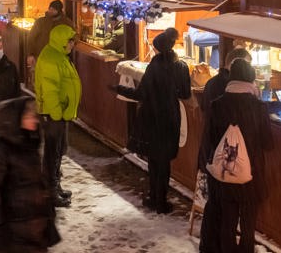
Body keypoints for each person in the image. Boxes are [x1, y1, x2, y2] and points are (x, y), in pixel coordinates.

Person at [200, 59, 273, 253]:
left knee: (227, 223)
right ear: (251, 79)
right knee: (248, 225)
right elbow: (268, 143)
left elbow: (211, 140)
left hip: (225, 174)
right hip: (252, 176)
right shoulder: (258, 107)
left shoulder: (217, 105)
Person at [115, 28, 191, 214]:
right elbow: (185, 93)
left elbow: (141, 93)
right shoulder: (181, 67)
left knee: (154, 161)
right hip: (170, 118)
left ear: (158, 49)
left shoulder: (154, 66)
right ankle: (161, 201)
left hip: (151, 117)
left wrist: (120, 89)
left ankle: (154, 197)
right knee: (164, 162)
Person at [0, 96, 61, 252]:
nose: (35, 120)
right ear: (14, 119)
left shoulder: (30, 143)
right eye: (29, 116)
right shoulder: (0, 149)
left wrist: (49, 217)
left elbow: (39, 183)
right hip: (16, 229)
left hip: (35, 227)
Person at [197, 47, 251, 253]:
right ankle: (221, 246)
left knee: (215, 205)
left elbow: (206, 114)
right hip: (227, 158)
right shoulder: (230, 92)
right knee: (227, 210)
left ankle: (209, 245)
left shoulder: (213, 84)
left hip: (213, 155)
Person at [34, 24, 82, 208]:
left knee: (59, 150)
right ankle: (50, 191)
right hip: (54, 114)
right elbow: (50, 90)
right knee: (52, 153)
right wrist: (56, 113)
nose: (72, 45)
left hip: (60, 113)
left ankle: (55, 185)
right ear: (62, 41)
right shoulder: (51, 59)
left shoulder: (58, 55)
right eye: (70, 42)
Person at [25, 0, 74, 69]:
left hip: (57, 58)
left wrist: (70, 44)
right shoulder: (41, 22)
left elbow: (73, 35)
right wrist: (30, 54)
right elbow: (31, 38)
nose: (51, 11)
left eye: (53, 9)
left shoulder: (66, 22)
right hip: (40, 56)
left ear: (59, 11)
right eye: (50, 9)